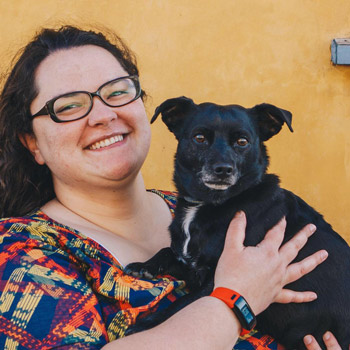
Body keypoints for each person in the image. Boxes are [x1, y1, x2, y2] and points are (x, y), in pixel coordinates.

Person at [0, 26, 343, 350]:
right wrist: (235, 299)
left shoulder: (210, 208)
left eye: (117, 92)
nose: (103, 115)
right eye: (69, 106)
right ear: (32, 142)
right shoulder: (22, 253)